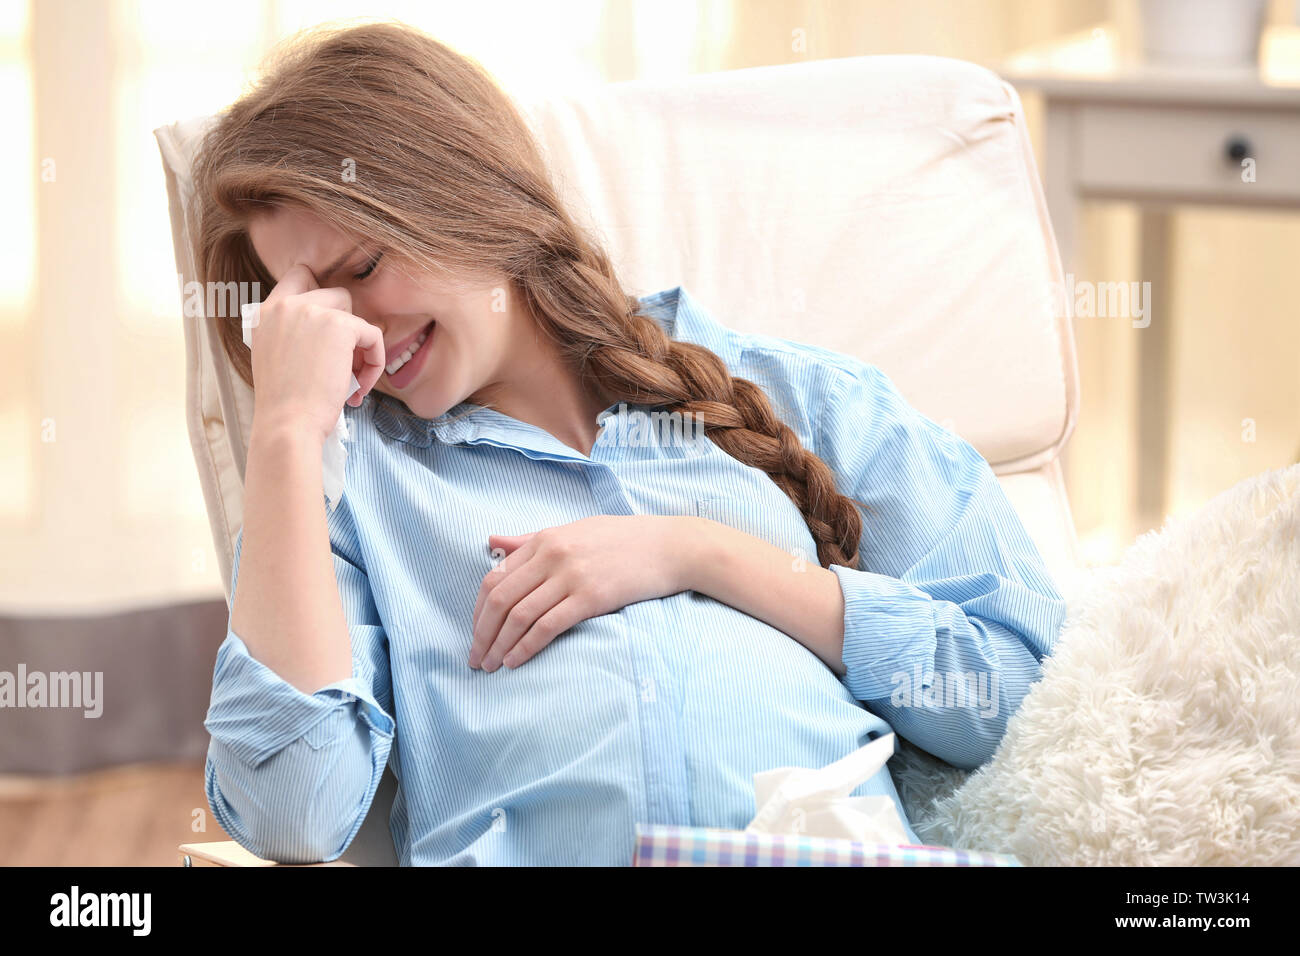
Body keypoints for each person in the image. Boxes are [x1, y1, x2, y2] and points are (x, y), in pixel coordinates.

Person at [194, 20, 1066, 865]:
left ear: (468, 199)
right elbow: (292, 815)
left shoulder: (806, 398)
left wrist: (702, 555)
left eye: (365, 268)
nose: (359, 332)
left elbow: (1019, 693)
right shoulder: (347, 491)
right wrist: (281, 432)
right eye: (308, 307)